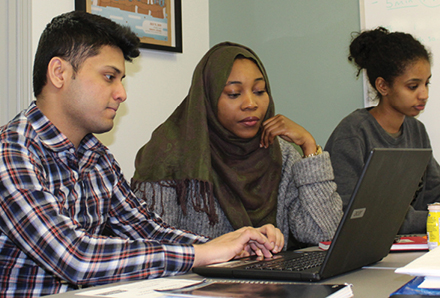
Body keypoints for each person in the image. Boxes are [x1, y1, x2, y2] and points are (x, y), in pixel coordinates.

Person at [0, 12, 283, 297]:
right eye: (109, 77)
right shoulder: (9, 151)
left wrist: (233, 243)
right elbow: (76, 258)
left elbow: (149, 231)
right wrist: (203, 254)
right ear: (59, 73)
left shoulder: (97, 158)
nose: (121, 93)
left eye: (121, 80)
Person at [131, 42, 343, 250]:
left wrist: (309, 147)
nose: (251, 103)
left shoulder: (280, 152)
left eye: (259, 91)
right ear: (208, 98)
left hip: (276, 281)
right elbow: (154, 249)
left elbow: (325, 234)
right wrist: (228, 249)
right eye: (234, 93)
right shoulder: (169, 154)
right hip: (201, 283)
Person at [325, 27, 440, 234]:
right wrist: (429, 219)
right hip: (367, 252)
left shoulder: (416, 131)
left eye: (426, 83)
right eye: (413, 86)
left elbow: (434, 192)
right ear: (383, 86)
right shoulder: (353, 134)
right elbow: (352, 214)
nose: (424, 94)